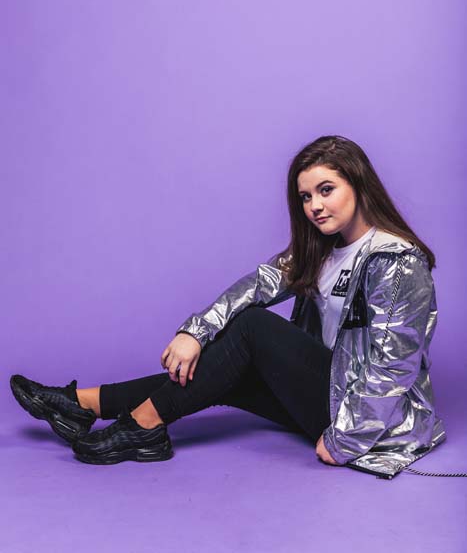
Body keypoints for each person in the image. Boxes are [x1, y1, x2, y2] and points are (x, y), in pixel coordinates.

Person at [10, 135, 446, 477]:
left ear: (359, 184)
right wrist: (194, 332)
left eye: (326, 190)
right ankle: (85, 404)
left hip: (372, 422)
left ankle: (143, 426)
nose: (314, 206)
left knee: (253, 328)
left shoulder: (395, 261)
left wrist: (346, 441)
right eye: (305, 197)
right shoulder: (323, 250)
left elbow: (393, 368)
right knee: (230, 367)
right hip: (329, 396)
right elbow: (259, 285)